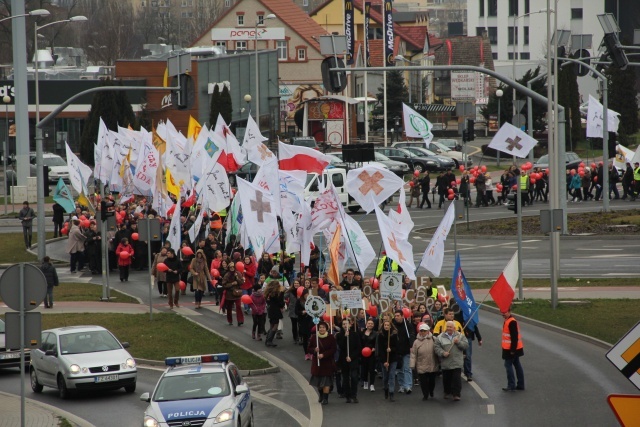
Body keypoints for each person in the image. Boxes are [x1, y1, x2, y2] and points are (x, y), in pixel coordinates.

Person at [434, 320, 468, 401]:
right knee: (447, 379)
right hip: (446, 362)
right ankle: (447, 392)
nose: (449, 328)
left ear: (454, 328)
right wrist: (442, 353)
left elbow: (466, 346)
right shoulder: (440, 337)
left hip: (456, 362)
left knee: (456, 379)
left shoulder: (460, 336)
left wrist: (458, 342)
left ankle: (456, 394)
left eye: (450, 327)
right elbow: (436, 347)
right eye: (447, 327)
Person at [308, 320, 337, 405]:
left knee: (326, 382)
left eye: (323, 327)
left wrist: (324, 355)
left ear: (326, 329)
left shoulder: (331, 337)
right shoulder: (314, 337)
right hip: (317, 363)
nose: (322, 329)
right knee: (318, 383)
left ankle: (325, 398)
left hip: (327, 362)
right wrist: (314, 350)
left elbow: (333, 349)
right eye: (320, 327)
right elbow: (309, 348)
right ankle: (321, 394)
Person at [336, 317, 362, 403]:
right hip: (344, 359)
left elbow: (358, 348)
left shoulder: (355, 334)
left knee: (354, 377)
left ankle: (354, 395)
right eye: (343, 324)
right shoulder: (339, 335)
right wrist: (344, 337)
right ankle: (347, 395)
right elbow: (341, 346)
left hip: (353, 359)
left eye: (346, 324)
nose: (345, 325)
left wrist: (351, 357)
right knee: (346, 378)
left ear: (350, 324)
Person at [410, 323, 438, 400]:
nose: (422, 332)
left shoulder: (434, 339)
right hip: (421, 364)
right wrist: (412, 364)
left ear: (428, 331)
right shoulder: (416, 342)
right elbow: (413, 354)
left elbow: (438, 350)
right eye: (421, 331)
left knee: (432, 381)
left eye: (424, 331)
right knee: (423, 382)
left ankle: (431, 391)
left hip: (432, 363)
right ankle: (425, 394)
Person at [501, 307, 525, 391]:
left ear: (509, 312)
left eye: (505, 312)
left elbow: (514, 337)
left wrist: (512, 350)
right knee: (517, 364)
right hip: (514, 348)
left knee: (508, 365)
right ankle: (521, 384)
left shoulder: (511, 322)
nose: (503, 314)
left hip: (511, 349)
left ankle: (511, 385)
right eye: (502, 312)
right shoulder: (508, 321)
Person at [392, 309, 414, 394]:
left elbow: (412, 335)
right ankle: (401, 385)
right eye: (395, 316)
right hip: (397, 351)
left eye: (398, 315)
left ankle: (408, 385)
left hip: (406, 350)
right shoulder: (393, 325)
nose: (396, 317)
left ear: (402, 316)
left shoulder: (408, 325)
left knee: (407, 368)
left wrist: (411, 345)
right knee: (399, 369)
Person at [377, 319, 399, 402]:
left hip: (393, 359)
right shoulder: (380, 336)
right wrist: (384, 361)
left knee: (392, 376)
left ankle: (391, 392)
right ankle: (386, 388)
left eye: (388, 325)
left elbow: (397, 347)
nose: (386, 326)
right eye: (385, 325)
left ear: (390, 326)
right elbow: (380, 350)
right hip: (384, 359)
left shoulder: (393, 335)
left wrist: (391, 349)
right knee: (385, 377)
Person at [222, 262, 245, 326]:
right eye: (230, 267)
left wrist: (237, 279)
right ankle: (230, 320)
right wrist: (231, 284)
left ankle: (240, 320)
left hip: (237, 293)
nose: (232, 268)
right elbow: (224, 284)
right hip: (229, 294)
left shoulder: (238, 273)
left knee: (238, 306)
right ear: (229, 268)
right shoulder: (227, 275)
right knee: (229, 308)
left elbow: (242, 282)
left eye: (233, 267)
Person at [264, 280, 285, 347]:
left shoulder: (268, 293)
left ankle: (267, 339)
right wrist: (282, 293)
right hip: (275, 310)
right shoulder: (275, 294)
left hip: (270, 310)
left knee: (271, 324)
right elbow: (280, 303)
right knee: (275, 325)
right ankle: (269, 340)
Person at [360, 318, 378, 392]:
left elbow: (377, 343)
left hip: (371, 353)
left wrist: (374, 348)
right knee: (364, 368)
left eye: (371, 323)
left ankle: (372, 384)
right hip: (363, 353)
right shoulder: (362, 333)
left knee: (371, 369)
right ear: (366, 324)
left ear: (373, 325)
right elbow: (360, 342)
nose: (370, 325)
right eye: (369, 323)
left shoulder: (375, 334)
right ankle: (365, 382)